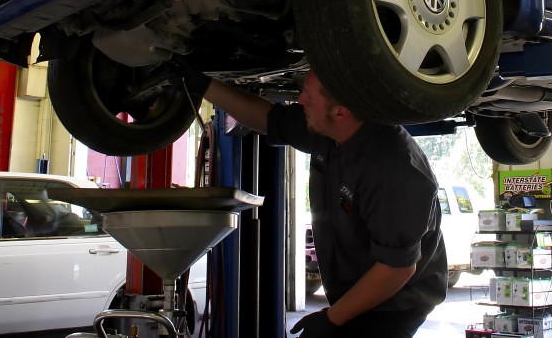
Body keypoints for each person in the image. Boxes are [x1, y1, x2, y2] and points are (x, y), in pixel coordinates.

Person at [185, 67, 448, 338]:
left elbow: (397, 268)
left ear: (340, 111)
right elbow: (269, 119)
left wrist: (331, 320)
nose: (300, 101)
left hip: (391, 307)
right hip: (356, 290)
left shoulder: (394, 171)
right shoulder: (332, 129)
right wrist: (204, 85)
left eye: (308, 96)